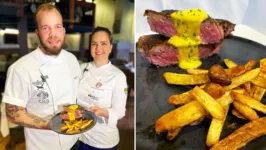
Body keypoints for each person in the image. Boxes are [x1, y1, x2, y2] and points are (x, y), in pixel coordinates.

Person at [2, 3, 80, 150]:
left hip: (74, 141)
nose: (53, 34)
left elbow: (74, 97)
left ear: (63, 30)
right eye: (46, 28)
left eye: (57, 27)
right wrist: (48, 124)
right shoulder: (20, 68)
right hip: (43, 146)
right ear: (37, 32)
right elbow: (13, 114)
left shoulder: (72, 60)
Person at [77, 26, 128, 150]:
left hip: (102, 140)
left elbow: (120, 112)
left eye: (103, 44)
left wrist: (102, 112)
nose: (98, 48)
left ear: (110, 47)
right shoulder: (81, 67)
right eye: (94, 44)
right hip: (80, 135)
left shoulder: (118, 76)